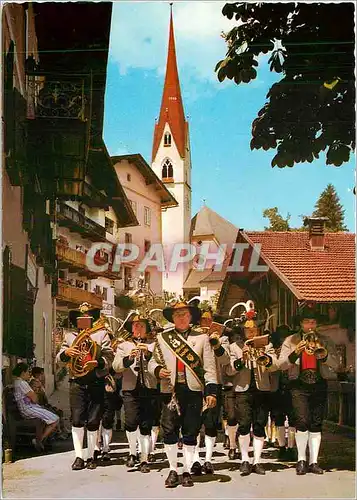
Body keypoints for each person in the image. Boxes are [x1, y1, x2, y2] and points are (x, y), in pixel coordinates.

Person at [149, 300, 218, 488]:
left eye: (185, 314)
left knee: (190, 431)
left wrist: (211, 391)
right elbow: (152, 362)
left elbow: (210, 368)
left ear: (191, 317)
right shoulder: (163, 338)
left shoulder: (202, 338)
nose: (181, 318)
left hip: (193, 390)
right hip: (170, 391)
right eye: (177, 314)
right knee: (169, 430)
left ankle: (186, 470)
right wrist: (157, 371)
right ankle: (173, 469)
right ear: (172, 317)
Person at [278, 306, 338, 475]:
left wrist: (324, 356)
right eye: (307, 322)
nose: (311, 326)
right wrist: (296, 353)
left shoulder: (325, 340)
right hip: (299, 385)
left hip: (319, 384)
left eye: (313, 322)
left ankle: (314, 462)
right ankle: (301, 459)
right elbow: (280, 365)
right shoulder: (291, 341)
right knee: (302, 422)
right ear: (301, 324)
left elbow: (336, 364)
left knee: (316, 424)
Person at [57, 303, 114, 471]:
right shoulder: (69, 336)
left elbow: (109, 356)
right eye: (81, 318)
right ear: (77, 320)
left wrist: (97, 363)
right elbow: (58, 360)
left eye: (87, 317)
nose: (84, 320)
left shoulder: (102, 334)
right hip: (77, 381)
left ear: (91, 319)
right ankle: (79, 456)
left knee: (93, 421)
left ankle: (90, 456)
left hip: (95, 380)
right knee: (76, 420)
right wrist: (66, 354)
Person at [225, 302, 279, 476]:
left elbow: (275, 366)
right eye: (248, 330)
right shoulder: (234, 347)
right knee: (244, 425)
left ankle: (257, 461)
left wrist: (264, 357)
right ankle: (244, 460)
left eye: (254, 329)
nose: (251, 332)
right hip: (242, 390)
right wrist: (242, 358)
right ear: (243, 331)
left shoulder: (267, 345)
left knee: (259, 425)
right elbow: (229, 370)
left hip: (262, 389)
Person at [113, 313, 157, 473]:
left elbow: (160, 363)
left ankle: (144, 458)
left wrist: (148, 354)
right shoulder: (123, 345)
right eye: (135, 325)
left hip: (149, 387)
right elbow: (116, 366)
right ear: (131, 329)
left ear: (146, 329)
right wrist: (128, 359)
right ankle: (132, 452)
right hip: (130, 388)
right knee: (131, 422)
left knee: (146, 425)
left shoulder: (154, 344)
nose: (138, 328)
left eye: (141, 326)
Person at [191, 310, 230, 475]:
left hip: (213, 384)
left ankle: (207, 459)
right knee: (192, 423)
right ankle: (194, 459)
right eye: (202, 319)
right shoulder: (192, 336)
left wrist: (216, 344)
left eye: (208, 319)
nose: (205, 322)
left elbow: (226, 360)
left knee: (210, 423)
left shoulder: (222, 339)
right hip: (193, 383)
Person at [12, 363, 59, 452]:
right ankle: (39, 440)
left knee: (49, 414)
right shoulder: (22, 383)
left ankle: (40, 441)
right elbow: (35, 399)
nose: (29, 374)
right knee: (55, 419)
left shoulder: (17, 382)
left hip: (27, 408)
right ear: (23, 373)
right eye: (28, 372)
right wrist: (35, 394)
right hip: (28, 409)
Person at [269, 325, 297, 461]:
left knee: (292, 418)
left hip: (291, 385)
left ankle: (291, 447)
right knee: (278, 417)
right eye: (281, 336)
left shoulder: (292, 348)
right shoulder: (273, 350)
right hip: (277, 386)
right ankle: (281, 447)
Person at [29, 367, 68, 438]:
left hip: (43, 405)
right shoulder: (35, 383)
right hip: (39, 407)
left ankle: (62, 430)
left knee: (59, 411)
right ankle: (59, 432)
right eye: (41, 374)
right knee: (56, 413)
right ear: (37, 374)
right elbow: (37, 399)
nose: (43, 375)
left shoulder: (39, 383)